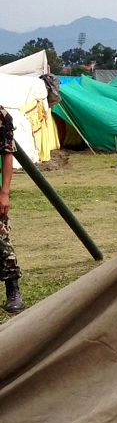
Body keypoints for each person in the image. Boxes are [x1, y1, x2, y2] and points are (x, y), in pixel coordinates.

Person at [0, 107, 25, 314]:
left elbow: (7, 153)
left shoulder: (1, 115)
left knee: (1, 240)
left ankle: (13, 289)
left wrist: (4, 192)